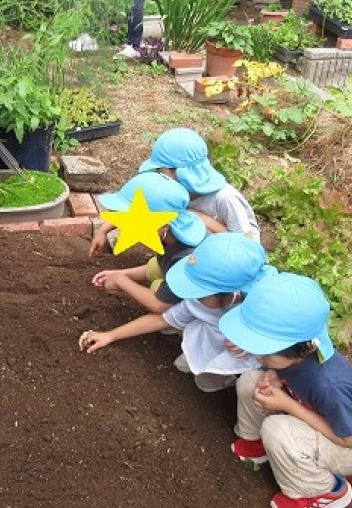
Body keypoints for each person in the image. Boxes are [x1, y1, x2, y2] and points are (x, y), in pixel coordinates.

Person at [218, 272, 352, 508]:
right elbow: (283, 370)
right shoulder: (300, 351)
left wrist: (287, 405)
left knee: (276, 428)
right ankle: (257, 444)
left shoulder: (329, 384)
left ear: (298, 348)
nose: (259, 358)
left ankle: (322, 491)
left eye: (266, 354)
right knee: (250, 380)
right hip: (319, 419)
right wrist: (273, 374)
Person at [80, 233, 273, 392]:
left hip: (255, 361)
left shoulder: (264, 307)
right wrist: (110, 335)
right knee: (189, 370)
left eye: (198, 289)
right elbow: (162, 319)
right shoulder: (200, 301)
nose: (193, 294)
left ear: (224, 294)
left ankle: (230, 379)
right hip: (215, 339)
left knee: (229, 383)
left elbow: (285, 347)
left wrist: (251, 345)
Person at [91, 128, 258, 258]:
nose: (157, 173)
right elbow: (142, 208)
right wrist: (103, 230)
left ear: (178, 171)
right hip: (188, 248)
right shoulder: (172, 186)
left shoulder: (226, 199)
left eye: (160, 170)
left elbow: (245, 247)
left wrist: (201, 218)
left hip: (221, 261)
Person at [90, 171, 206, 315]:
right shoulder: (175, 232)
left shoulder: (183, 259)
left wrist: (122, 282)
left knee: (157, 289)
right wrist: (118, 274)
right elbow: (159, 265)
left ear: (163, 225)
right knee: (156, 265)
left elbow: (159, 305)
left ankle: (174, 330)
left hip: (207, 317)